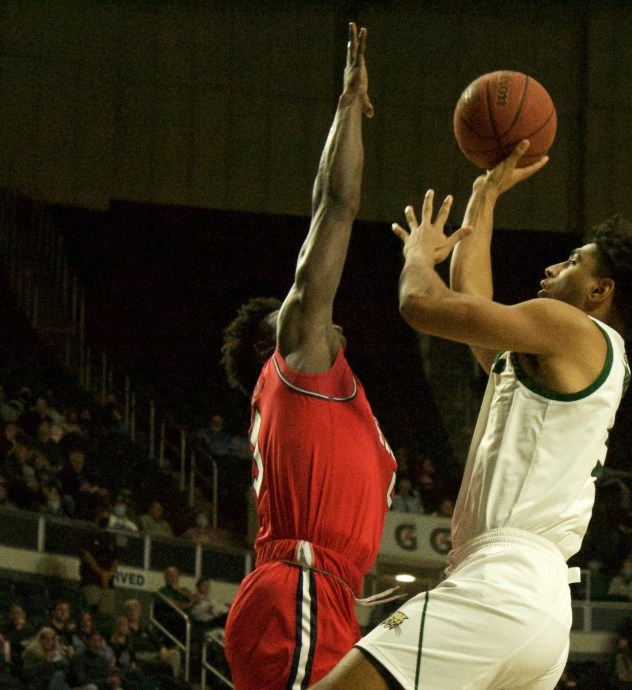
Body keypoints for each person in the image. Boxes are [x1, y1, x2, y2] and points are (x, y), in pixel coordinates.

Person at [316, 132, 632, 688]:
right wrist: (484, 197)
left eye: (573, 262)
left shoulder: (570, 328)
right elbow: (475, 308)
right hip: (538, 606)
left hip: (503, 585)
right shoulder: (577, 358)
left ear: (599, 290)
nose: (553, 267)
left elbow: (422, 304)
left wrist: (418, 254)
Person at [220, 22, 397, 690]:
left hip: (323, 599)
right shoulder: (296, 361)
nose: (311, 313)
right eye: (290, 314)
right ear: (274, 345)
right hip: (298, 592)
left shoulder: (344, 403)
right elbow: (336, 204)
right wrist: (348, 106)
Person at [79, 510, 119, 616]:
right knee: (89, 613)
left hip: (108, 584)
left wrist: (109, 574)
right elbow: (85, 554)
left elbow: (116, 559)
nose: (106, 517)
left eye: (108, 515)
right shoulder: (88, 534)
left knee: (106, 615)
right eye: (103, 514)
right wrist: (101, 573)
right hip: (91, 581)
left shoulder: (111, 537)